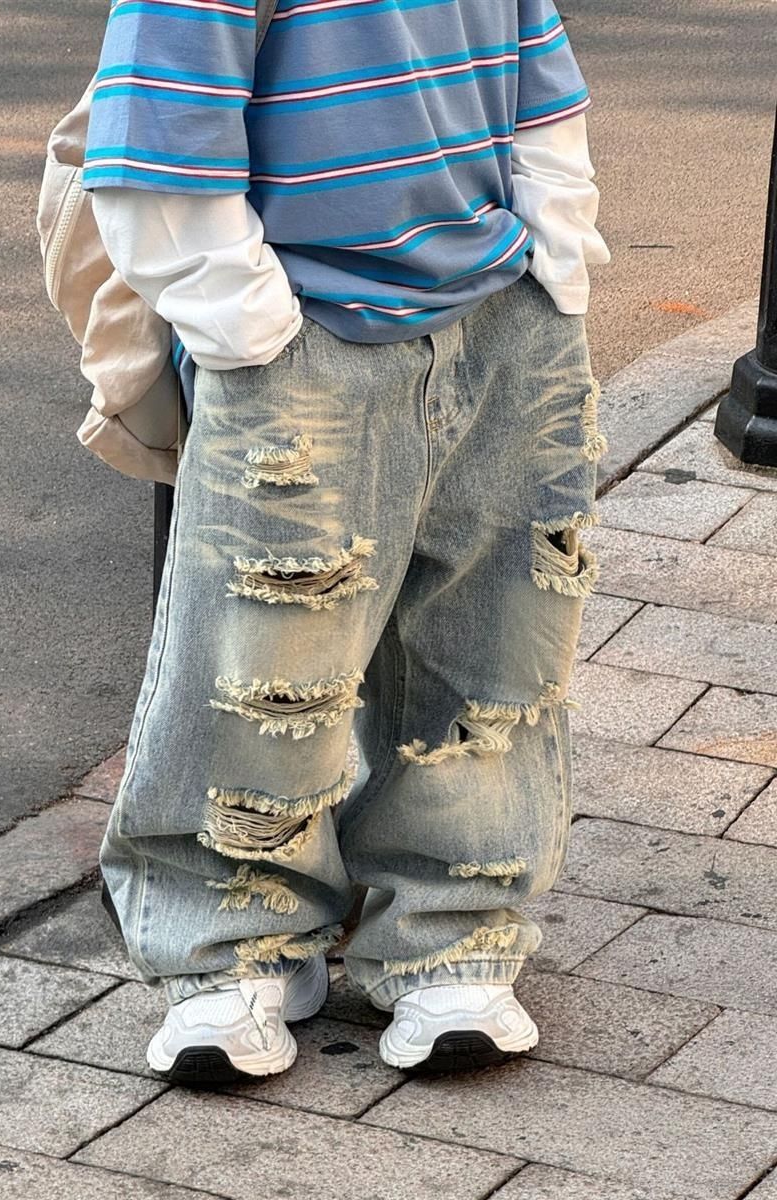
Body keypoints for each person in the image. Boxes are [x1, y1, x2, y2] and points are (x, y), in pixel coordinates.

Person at [83, 0, 611, 1081]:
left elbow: (536, 77)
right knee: (260, 656)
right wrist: (252, 330)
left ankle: (449, 932)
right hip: (304, 331)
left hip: (504, 315)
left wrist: (556, 272)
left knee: (495, 641)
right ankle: (228, 946)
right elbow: (157, 129)